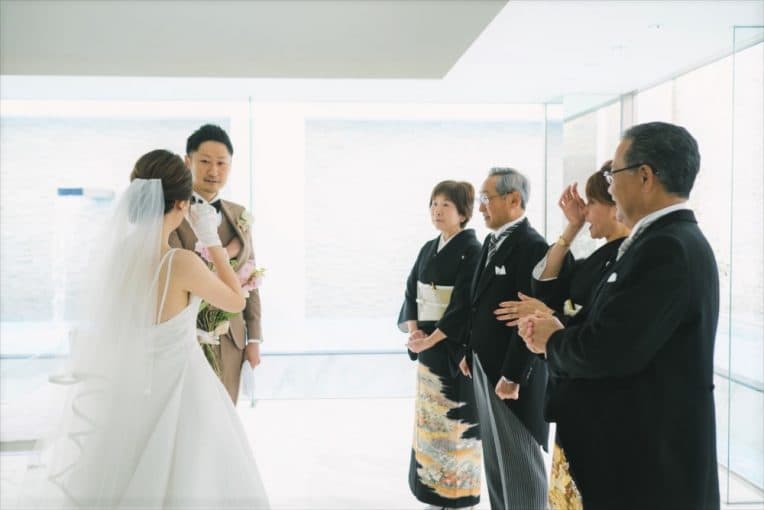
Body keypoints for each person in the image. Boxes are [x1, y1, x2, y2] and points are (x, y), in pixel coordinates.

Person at [18, 150, 269, 508]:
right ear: (181, 204)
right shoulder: (179, 262)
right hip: (183, 386)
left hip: (132, 386)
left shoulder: (120, 256)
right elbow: (235, 300)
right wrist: (211, 241)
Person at [520, 122, 720, 510]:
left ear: (645, 176)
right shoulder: (660, 240)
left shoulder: (667, 248)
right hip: (635, 452)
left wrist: (553, 339)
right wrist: (559, 328)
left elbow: (611, 349)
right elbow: (614, 327)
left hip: (646, 460)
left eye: (614, 175)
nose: (610, 188)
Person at [495, 164, 630, 510]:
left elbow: (588, 322)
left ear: (614, 206)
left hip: (594, 398)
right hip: (572, 391)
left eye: (592, 204)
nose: (586, 212)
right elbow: (546, 280)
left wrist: (548, 314)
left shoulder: (627, 258)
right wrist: (572, 228)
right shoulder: (599, 257)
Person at [459, 167, 556, 509]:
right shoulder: (491, 242)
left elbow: (531, 317)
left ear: (514, 199)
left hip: (510, 373)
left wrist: (514, 375)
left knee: (519, 464)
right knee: (497, 463)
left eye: (487, 198)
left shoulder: (532, 246)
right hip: (484, 363)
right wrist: (468, 350)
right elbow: (476, 303)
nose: (481, 206)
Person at [398, 180, 482, 510]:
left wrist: (431, 339)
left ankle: (458, 497)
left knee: (456, 425)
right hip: (428, 350)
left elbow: (463, 305)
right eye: (434, 203)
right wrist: (415, 333)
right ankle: (433, 494)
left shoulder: (473, 250)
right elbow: (411, 292)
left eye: (446, 204)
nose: (437, 210)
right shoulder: (427, 248)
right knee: (430, 425)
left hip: (453, 351)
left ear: (463, 212)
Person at [170, 124, 262, 403]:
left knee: (226, 411)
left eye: (222, 163)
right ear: (188, 162)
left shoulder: (240, 215)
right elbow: (174, 269)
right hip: (188, 335)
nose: (213, 171)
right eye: (205, 162)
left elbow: (251, 279)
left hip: (233, 339)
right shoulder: (173, 212)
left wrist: (254, 339)